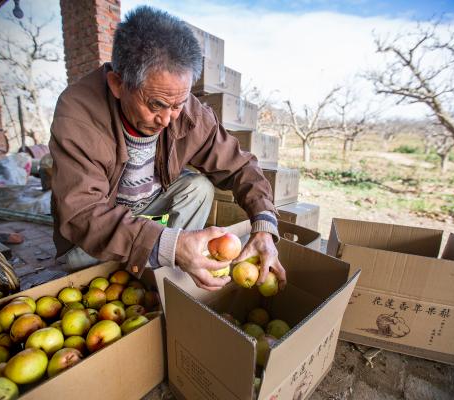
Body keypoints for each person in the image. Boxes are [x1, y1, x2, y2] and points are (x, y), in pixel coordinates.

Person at [49, 6, 286, 291]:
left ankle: (172, 266)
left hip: (148, 207)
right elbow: (82, 212)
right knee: (86, 265)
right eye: (156, 105)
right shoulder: (77, 113)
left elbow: (240, 165)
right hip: (98, 223)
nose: (166, 119)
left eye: (177, 105)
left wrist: (264, 225)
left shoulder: (186, 111)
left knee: (198, 187)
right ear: (117, 84)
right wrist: (166, 244)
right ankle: (163, 253)